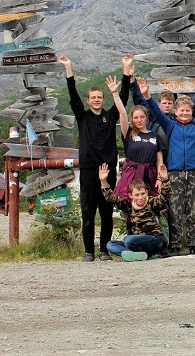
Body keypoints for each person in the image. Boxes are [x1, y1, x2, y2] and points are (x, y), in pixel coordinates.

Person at [133, 73, 195, 256]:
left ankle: (192, 245)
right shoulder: (170, 126)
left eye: (187, 111)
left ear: (192, 112)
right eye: (181, 111)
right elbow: (156, 111)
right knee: (175, 210)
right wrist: (147, 95)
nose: (184, 113)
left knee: (192, 209)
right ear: (175, 113)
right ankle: (175, 245)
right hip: (174, 172)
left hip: (194, 172)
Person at [59, 54, 131, 262]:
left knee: (107, 212)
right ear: (89, 100)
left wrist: (126, 71)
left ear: (104, 99)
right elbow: (73, 96)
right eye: (93, 97)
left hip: (107, 170)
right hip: (89, 169)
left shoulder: (110, 116)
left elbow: (123, 99)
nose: (97, 99)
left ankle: (104, 251)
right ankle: (89, 251)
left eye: (100, 97)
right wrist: (68, 68)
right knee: (88, 212)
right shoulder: (83, 117)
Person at [131, 67, 195, 160]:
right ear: (158, 104)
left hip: (173, 159)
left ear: (174, 106)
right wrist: (132, 82)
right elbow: (140, 101)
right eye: (164, 103)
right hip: (155, 158)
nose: (167, 105)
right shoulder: (152, 116)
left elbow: (194, 104)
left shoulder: (178, 119)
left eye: (169, 103)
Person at [101, 162, 171, 261]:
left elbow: (165, 195)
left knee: (129, 240)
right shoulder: (129, 205)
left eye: (143, 194)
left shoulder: (152, 202)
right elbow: (111, 198)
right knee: (110, 245)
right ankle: (142, 254)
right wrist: (103, 181)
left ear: (146, 192)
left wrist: (165, 180)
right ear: (131, 196)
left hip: (155, 240)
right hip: (136, 242)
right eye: (137, 195)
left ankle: (137, 253)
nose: (140, 197)